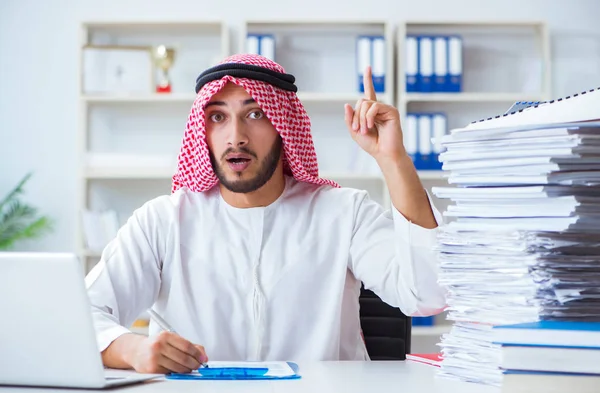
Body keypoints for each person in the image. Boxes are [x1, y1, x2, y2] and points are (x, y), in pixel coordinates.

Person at [85, 53, 447, 374]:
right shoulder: (163, 221)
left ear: (282, 126)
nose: (235, 137)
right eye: (218, 117)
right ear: (202, 131)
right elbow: (80, 313)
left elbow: (427, 293)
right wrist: (133, 349)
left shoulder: (342, 213)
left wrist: (394, 161)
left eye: (254, 114)